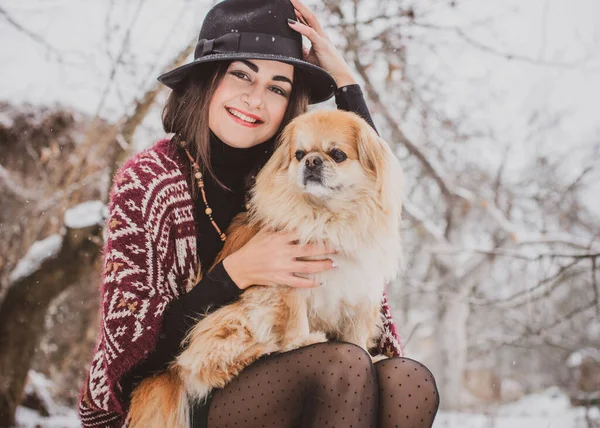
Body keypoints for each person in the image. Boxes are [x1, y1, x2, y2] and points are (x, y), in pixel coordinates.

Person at [78, 0, 439, 427]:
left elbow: (373, 186)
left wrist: (345, 82)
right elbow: (129, 346)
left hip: (300, 370)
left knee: (404, 380)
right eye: (242, 75)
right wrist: (233, 274)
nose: (256, 98)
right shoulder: (151, 180)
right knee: (339, 366)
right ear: (208, 79)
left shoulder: (288, 171)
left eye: (278, 87)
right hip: (182, 391)